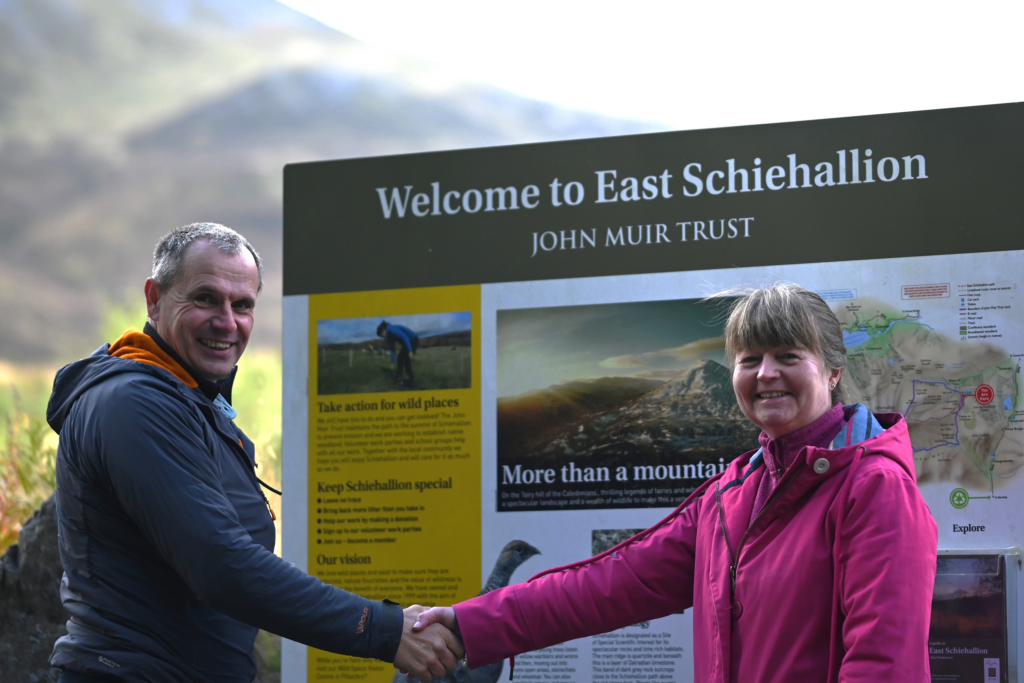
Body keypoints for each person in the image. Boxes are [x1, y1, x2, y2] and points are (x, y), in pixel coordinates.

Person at [412, 284, 938, 683]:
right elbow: (609, 584)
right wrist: (466, 624)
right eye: (749, 359)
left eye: (788, 356)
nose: (765, 374)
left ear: (831, 373)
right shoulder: (733, 496)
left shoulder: (873, 488)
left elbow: (884, 665)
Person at [46, 223, 462, 682]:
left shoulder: (192, 399)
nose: (227, 322)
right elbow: (221, 564)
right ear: (154, 298)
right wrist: (382, 630)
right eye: (205, 298)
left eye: (242, 304)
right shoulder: (133, 404)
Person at [377, 321, 419, 388]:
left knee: (406, 362)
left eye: (382, 336)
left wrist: (410, 351)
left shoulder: (392, 329)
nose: (383, 337)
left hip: (413, 340)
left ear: (383, 331)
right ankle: (398, 378)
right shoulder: (389, 335)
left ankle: (411, 382)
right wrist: (392, 363)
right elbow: (393, 350)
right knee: (400, 359)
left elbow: (405, 338)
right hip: (407, 343)